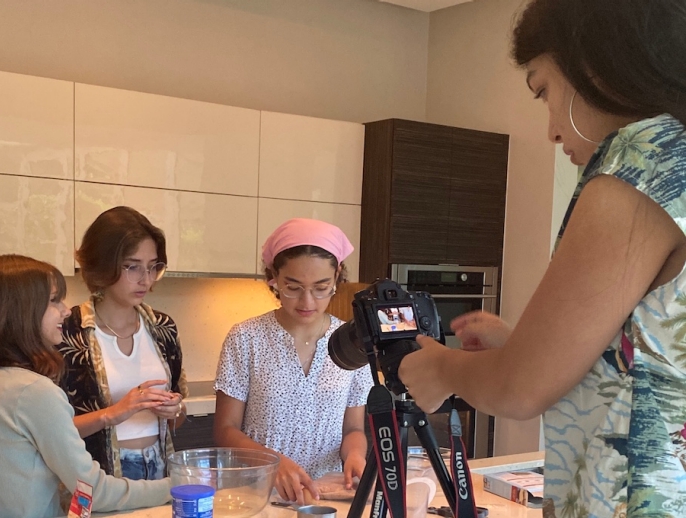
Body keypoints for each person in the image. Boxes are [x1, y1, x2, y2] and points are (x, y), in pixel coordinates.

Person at [399, 1, 686, 516]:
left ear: (592, 64)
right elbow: (655, 361)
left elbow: (520, 388)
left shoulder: (642, 162)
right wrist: (523, 345)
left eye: (543, 90)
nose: (552, 130)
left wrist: (444, 369)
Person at [0, 255, 172, 518]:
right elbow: (95, 491)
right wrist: (177, 485)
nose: (66, 310)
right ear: (19, 312)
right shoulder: (35, 392)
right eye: (54, 300)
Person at [213, 218, 374, 505]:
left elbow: (353, 429)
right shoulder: (246, 338)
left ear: (337, 276)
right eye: (293, 287)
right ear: (274, 277)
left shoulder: (354, 343)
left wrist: (355, 456)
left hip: (327, 498)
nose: (307, 301)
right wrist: (272, 463)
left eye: (321, 287)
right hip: (256, 495)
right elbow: (225, 430)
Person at [59, 206, 188, 481]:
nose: (146, 279)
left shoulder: (163, 328)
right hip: (96, 475)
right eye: (132, 267)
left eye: (153, 267)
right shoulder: (68, 331)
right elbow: (51, 430)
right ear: (102, 265)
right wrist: (114, 413)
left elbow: (178, 416)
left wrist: (174, 409)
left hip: (160, 469)